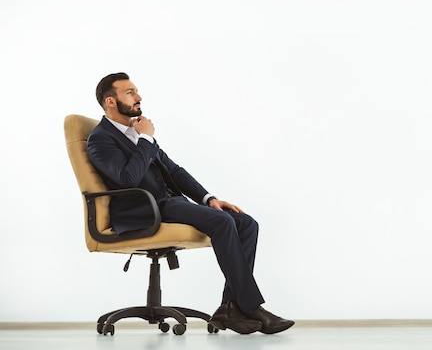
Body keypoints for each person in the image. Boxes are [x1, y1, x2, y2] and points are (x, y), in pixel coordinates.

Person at [87, 72, 294, 335]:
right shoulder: (101, 139)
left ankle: (230, 306)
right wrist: (146, 139)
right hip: (146, 209)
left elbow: (174, 171)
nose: (138, 97)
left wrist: (209, 199)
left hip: (167, 203)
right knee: (222, 222)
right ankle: (252, 307)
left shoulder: (135, 132)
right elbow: (129, 179)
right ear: (110, 101)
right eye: (130, 92)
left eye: (137, 91)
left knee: (246, 223)